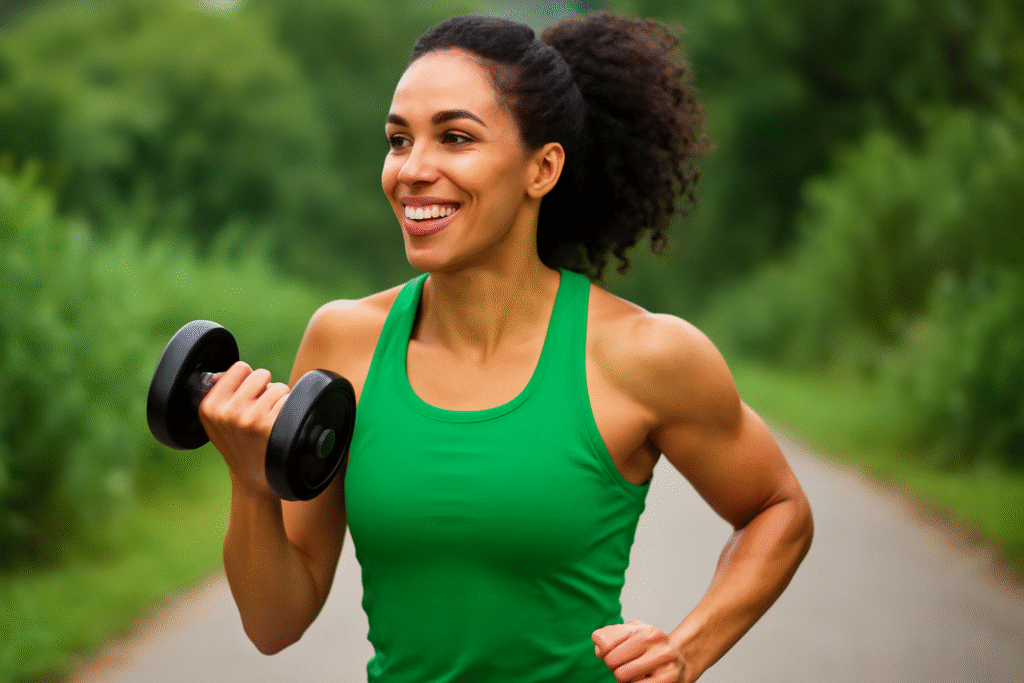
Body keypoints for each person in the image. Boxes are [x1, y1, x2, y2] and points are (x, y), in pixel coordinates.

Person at [197, 12, 813, 683]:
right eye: (398, 140)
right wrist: (253, 485)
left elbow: (777, 509)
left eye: (455, 137)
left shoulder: (645, 354)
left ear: (542, 168)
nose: (413, 170)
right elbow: (274, 622)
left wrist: (688, 646)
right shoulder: (342, 341)